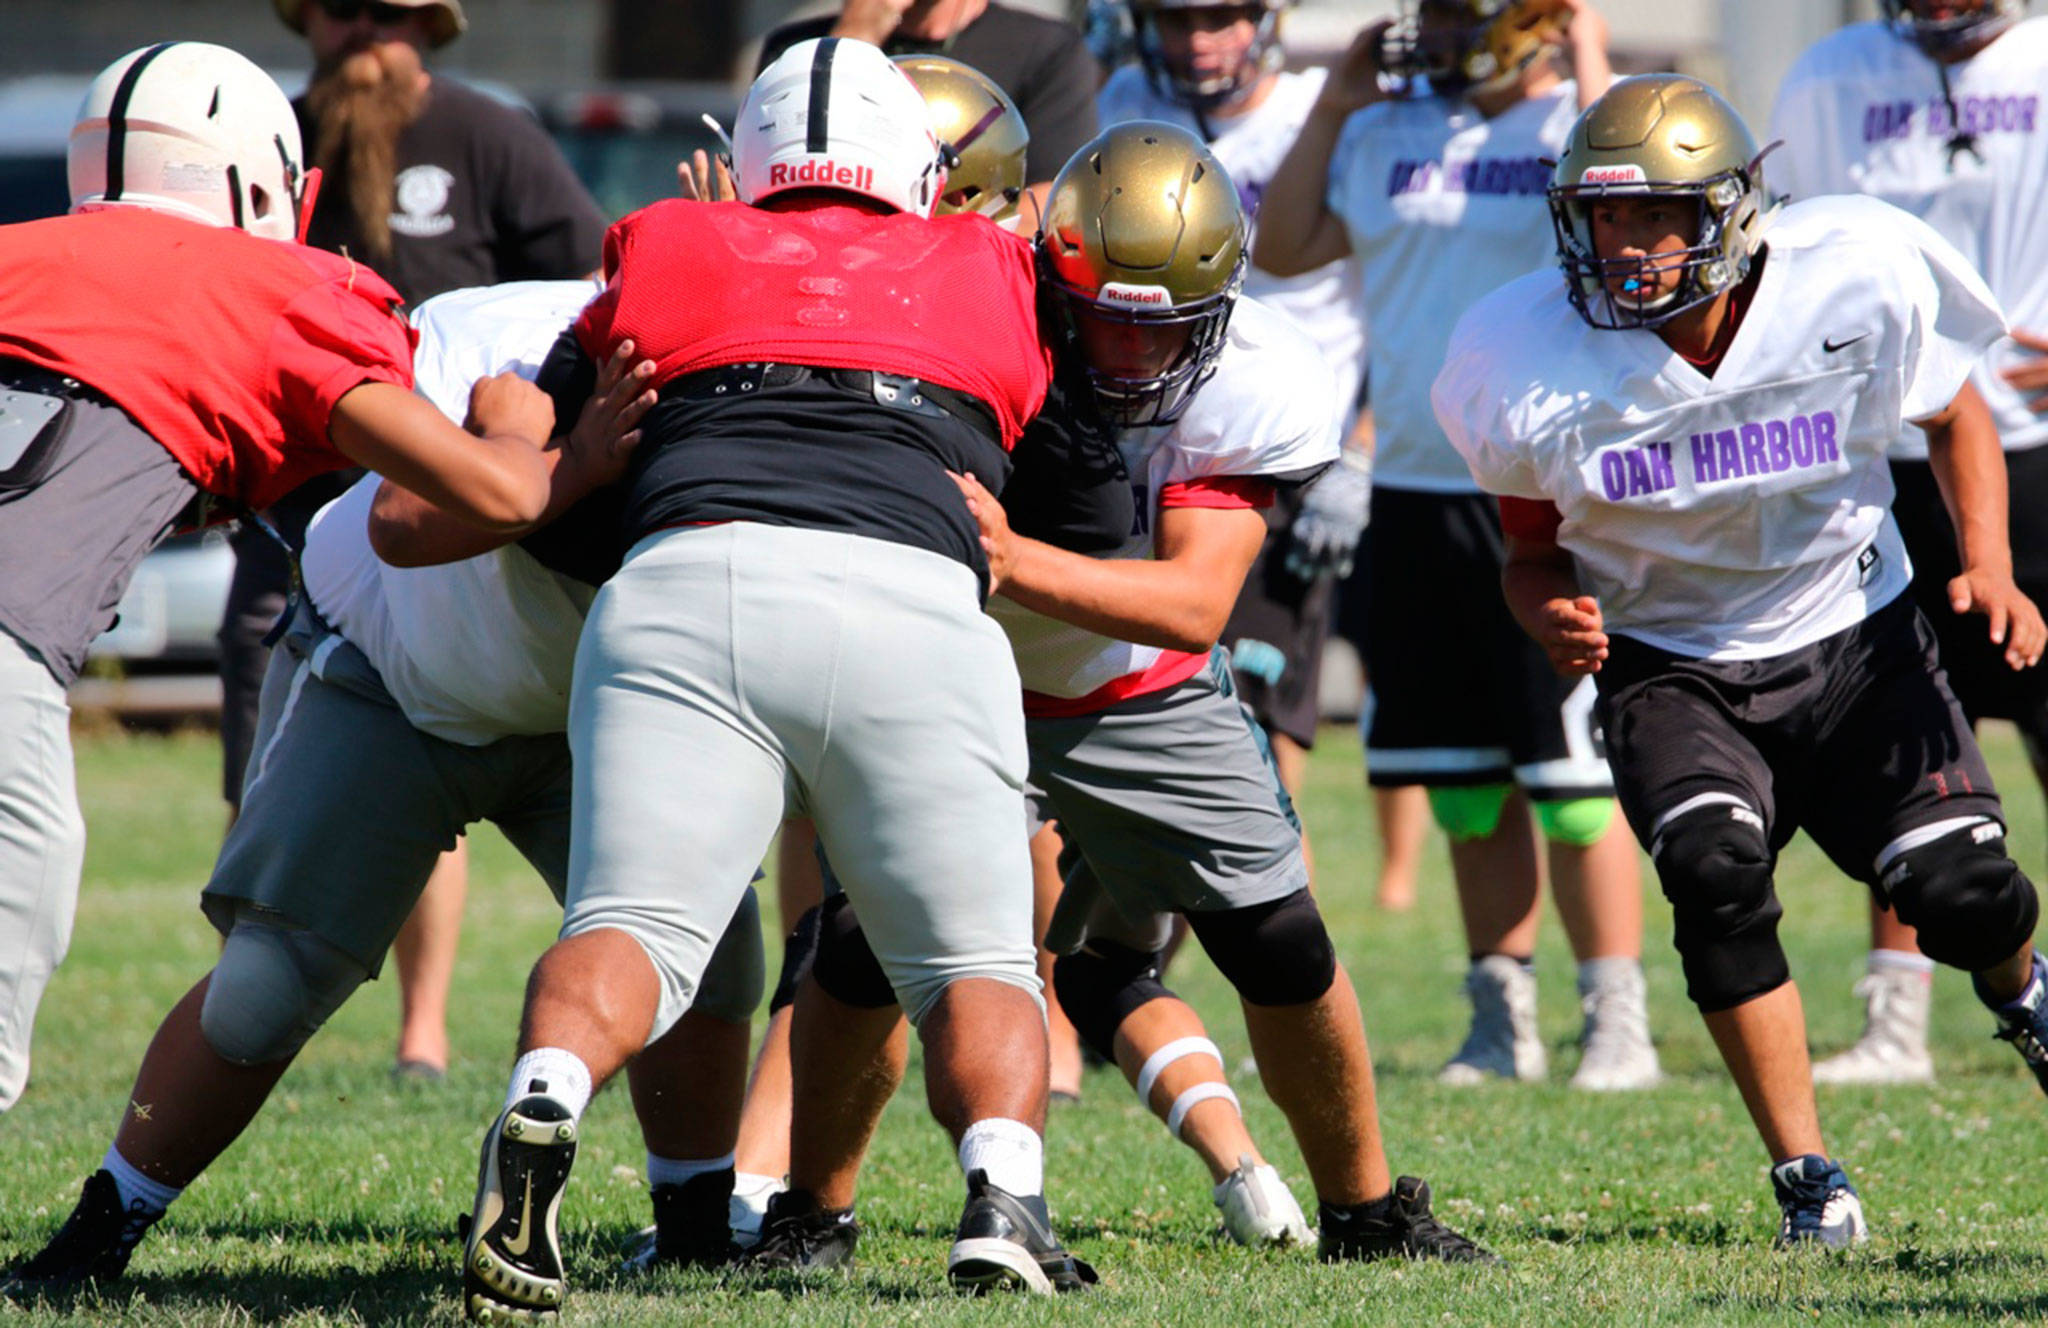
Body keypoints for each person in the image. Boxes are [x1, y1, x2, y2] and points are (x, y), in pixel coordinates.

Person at [752, 123, 1495, 1270]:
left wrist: (1006, 552)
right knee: (857, 942)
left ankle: (1363, 1212)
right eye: (1102, 313)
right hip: (953, 671)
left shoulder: (1256, 375)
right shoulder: (976, 304)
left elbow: (1194, 603)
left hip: (1131, 683)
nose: (1128, 352)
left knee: (1282, 940)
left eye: (1161, 327)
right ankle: (810, 1216)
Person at [457, 39, 1091, 1321]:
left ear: (744, 167)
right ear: (920, 168)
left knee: (630, 923)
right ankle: (1001, 1196)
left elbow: (555, 419)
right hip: (910, 591)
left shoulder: (669, 242)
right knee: (975, 957)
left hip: (691, 582)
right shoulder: (991, 263)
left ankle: (545, 1096)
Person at [1, 280, 767, 1288]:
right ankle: (103, 1226)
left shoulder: (763, 364)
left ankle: (695, 1220)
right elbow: (403, 519)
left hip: (593, 699)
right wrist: (558, 460)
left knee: (704, 956)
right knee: (264, 988)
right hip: (392, 671)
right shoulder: (488, 336)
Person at [1436, 72, 2048, 1244]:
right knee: (1713, 874)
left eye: (1654, 214)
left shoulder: (1851, 270)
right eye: (1604, 216)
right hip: (1672, 661)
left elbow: (1956, 412)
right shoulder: (1520, 352)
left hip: (1856, 631)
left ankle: (2022, 990)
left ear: (1728, 211)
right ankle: (1807, 1173)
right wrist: (1547, 609)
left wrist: (1989, 559)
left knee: (1963, 893)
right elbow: (1526, 551)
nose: (1624, 245)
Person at [0, 41, 558, 1116]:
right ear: (258, 184)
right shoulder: (273, 287)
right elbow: (492, 494)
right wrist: (523, 429)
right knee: (18, 891)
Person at [1257, 0, 1661, 1092]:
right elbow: (1284, 246)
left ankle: (1614, 1016)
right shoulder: (1388, 129)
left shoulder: (1563, 126)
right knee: (1462, 784)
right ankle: (1500, 1015)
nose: (1434, 27)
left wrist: (1580, 48)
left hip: (1538, 483)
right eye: (1427, 7)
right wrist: (1336, 102)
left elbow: (1616, 193)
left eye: (1457, 9)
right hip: (1413, 486)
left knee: (1572, 781)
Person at [254, 0, 609, 1083]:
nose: (370, 33)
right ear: (305, 18)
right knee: (274, 785)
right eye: (346, 9)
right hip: (293, 512)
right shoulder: (269, 138)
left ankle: (422, 1028)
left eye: (396, 13)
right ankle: (263, 993)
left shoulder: (488, 133)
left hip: (477, 515)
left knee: (442, 724)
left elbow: (595, 292)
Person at [1768, 0, 2048, 1086]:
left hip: (2034, 443)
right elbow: (1782, 238)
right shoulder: (1831, 71)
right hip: (1883, 447)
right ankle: (1894, 1016)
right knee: (1893, 727)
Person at [1099, 0, 1372, 883]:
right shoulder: (1120, 98)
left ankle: (1273, 951)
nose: (1199, 40)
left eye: (1221, 16)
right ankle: (1123, 987)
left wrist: (1358, 444)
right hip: (1138, 440)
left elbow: (1390, 285)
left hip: (1276, 457)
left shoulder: (1315, 113)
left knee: (1262, 736)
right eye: (1176, 20)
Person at [758, 0, 1099, 191]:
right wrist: (854, 37)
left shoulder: (1046, 50)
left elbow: (1050, 203)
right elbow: (775, 180)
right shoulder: (796, 53)